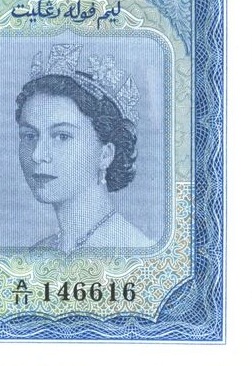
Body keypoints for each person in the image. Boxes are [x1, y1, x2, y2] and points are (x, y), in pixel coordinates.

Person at [15, 48, 153, 252]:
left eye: (62, 136)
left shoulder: (133, 249)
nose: (37, 155)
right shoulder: (40, 251)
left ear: (105, 155)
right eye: (29, 136)